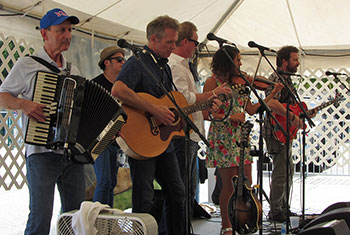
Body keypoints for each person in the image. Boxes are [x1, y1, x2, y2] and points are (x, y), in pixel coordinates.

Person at [0, 8, 84, 234]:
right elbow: (2, 95)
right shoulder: (27, 64)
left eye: (69, 30)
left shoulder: (72, 70)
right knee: (40, 217)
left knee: (75, 218)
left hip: (71, 155)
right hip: (41, 153)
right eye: (61, 30)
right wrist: (24, 105)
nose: (67, 35)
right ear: (45, 34)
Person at [111, 15, 186, 235]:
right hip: (142, 141)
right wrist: (154, 110)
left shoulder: (164, 67)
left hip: (163, 142)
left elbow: (166, 102)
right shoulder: (138, 62)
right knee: (144, 198)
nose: (173, 47)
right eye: (169, 42)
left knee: (177, 192)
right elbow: (118, 90)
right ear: (153, 39)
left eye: (175, 42)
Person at [202, 45, 283, 235]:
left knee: (246, 182)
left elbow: (251, 109)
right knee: (229, 185)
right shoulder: (212, 82)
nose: (240, 63)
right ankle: (226, 225)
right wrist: (231, 118)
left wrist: (271, 93)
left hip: (241, 137)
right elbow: (205, 114)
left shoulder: (241, 82)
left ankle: (243, 220)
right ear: (228, 62)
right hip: (223, 137)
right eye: (237, 60)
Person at [168, 21, 231, 225]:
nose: (197, 47)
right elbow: (183, 99)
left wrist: (207, 105)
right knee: (182, 190)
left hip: (191, 134)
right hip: (181, 135)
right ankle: (177, 228)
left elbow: (191, 101)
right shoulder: (175, 65)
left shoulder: (184, 65)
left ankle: (183, 226)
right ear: (185, 41)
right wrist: (213, 93)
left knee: (188, 188)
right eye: (195, 42)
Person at [263, 46, 305, 222]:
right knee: (280, 170)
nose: (298, 63)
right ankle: (275, 210)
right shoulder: (275, 79)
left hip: (285, 131)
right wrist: (292, 117)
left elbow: (290, 107)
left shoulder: (288, 80)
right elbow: (271, 102)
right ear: (284, 62)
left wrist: (301, 115)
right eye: (295, 60)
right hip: (275, 131)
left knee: (288, 169)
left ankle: (284, 207)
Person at [92, 46, 125, 207]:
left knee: (111, 182)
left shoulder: (123, 85)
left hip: (117, 140)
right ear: (107, 62)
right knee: (104, 181)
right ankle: (97, 221)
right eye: (119, 60)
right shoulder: (95, 84)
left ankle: (107, 221)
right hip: (99, 140)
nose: (123, 62)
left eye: (123, 59)